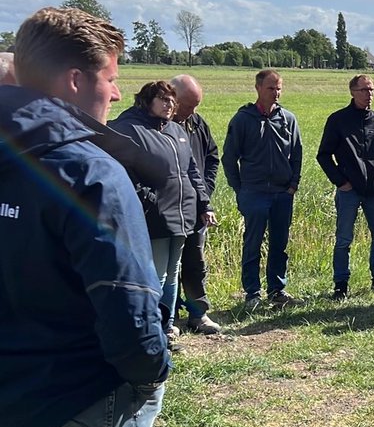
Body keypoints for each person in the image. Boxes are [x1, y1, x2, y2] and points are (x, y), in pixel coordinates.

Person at [0, 7, 170, 427]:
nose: (118, 94)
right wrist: (149, 378)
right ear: (76, 80)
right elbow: (128, 298)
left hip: (12, 397)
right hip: (80, 399)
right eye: (111, 77)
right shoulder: (88, 170)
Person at [110, 81, 211, 349]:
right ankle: (151, 327)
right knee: (156, 274)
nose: (169, 105)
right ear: (147, 101)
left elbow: (192, 172)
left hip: (182, 213)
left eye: (171, 100)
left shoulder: (177, 130)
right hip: (152, 216)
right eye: (163, 99)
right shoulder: (129, 128)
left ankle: (167, 325)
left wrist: (204, 204)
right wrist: (147, 198)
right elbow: (122, 171)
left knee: (173, 271)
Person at [221, 69, 302, 309]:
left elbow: (297, 154)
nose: (276, 93)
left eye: (279, 88)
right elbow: (229, 158)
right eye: (271, 88)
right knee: (253, 243)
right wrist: (240, 188)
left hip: (282, 193)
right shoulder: (243, 119)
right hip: (254, 193)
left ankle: (277, 289)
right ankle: (252, 294)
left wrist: (293, 185)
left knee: (280, 244)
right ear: (257, 88)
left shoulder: (288, 119)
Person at [316, 74, 374, 299]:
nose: (369, 94)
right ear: (352, 92)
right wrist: (340, 181)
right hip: (349, 190)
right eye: (364, 90)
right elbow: (324, 155)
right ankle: (341, 284)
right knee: (344, 238)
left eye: (372, 90)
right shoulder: (338, 120)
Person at [170, 74, 222, 334]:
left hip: (196, 208)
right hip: (166, 210)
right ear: (172, 97)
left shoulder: (196, 123)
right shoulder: (155, 124)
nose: (192, 111)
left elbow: (212, 157)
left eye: (195, 106)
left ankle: (197, 315)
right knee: (167, 266)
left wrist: (206, 190)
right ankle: (166, 318)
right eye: (188, 105)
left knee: (195, 263)